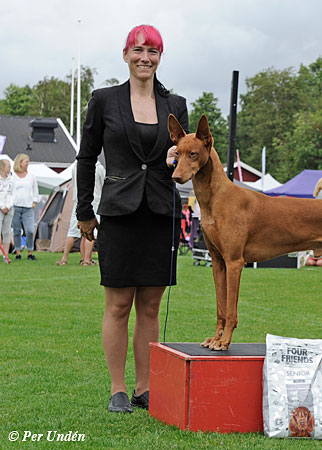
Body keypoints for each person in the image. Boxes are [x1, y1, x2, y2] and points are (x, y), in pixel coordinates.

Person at [76, 24, 188, 413]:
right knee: (119, 304)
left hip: (161, 211)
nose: (145, 58)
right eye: (138, 50)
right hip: (119, 211)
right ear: (125, 54)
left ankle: (145, 387)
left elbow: (185, 154)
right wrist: (83, 211)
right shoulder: (104, 100)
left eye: (153, 51)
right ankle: (118, 388)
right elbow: (86, 157)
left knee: (151, 307)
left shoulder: (176, 103)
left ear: (160, 57)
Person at [57, 161, 105, 266]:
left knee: (73, 232)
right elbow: (104, 185)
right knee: (90, 232)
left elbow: (74, 184)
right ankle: (87, 260)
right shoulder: (99, 168)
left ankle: (64, 259)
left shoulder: (75, 168)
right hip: (94, 202)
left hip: (78, 202)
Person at [11, 153, 39, 261]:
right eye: (26, 162)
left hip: (28, 207)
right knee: (17, 231)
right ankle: (18, 252)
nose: (28, 164)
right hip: (15, 206)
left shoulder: (31, 176)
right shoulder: (12, 176)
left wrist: (34, 201)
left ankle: (30, 252)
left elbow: (35, 190)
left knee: (30, 230)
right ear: (20, 162)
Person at [0, 159, 15, 262]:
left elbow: (14, 195)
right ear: (2, 167)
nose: (10, 168)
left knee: (6, 232)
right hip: (0, 208)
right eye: (8, 166)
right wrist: (2, 207)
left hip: (9, 209)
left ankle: (6, 255)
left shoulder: (12, 180)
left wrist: (8, 206)